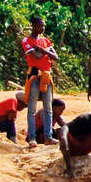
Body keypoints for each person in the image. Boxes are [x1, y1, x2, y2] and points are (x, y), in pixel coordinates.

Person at [22, 15, 60, 147]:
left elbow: (55, 57)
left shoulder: (46, 41)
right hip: (34, 76)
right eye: (40, 25)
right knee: (32, 108)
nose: (43, 28)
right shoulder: (26, 40)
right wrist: (47, 51)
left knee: (48, 108)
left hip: (46, 76)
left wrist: (43, 49)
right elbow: (36, 57)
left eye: (44, 26)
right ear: (33, 25)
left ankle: (48, 136)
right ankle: (32, 137)